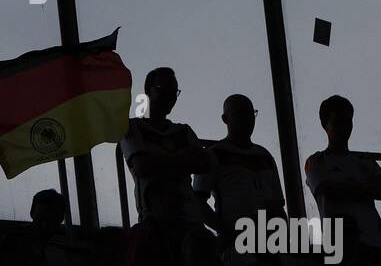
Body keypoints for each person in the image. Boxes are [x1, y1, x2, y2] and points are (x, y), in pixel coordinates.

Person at [120, 67, 215, 227]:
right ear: (147, 90)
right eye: (164, 90)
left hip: (190, 220)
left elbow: (204, 164)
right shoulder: (132, 127)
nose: (170, 97)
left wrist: (158, 161)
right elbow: (142, 166)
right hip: (154, 220)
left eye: (174, 91)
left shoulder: (184, 130)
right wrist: (183, 159)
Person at [303, 95, 381, 253]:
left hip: (375, 244)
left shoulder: (364, 160)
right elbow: (326, 189)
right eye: (338, 122)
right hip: (342, 246)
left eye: (348, 121)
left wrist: (347, 187)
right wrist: (365, 187)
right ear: (325, 124)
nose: (344, 127)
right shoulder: (316, 161)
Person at [205, 94, 286, 245]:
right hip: (235, 242)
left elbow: (277, 206)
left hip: (270, 242)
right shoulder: (214, 154)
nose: (247, 119)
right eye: (239, 114)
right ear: (225, 119)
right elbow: (199, 202)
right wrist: (225, 231)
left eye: (250, 113)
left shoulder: (265, 156)